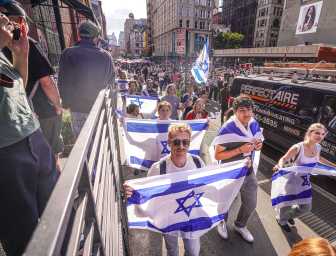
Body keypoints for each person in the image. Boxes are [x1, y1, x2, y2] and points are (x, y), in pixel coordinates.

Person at [0, 12, 58, 255]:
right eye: (0, 16)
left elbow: (17, 88)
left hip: (33, 138)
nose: (5, 18)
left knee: (55, 209)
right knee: (23, 235)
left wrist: (20, 55)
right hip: (7, 153)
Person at [124, 123, 205, 256]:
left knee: (193, 251)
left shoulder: (198, 162)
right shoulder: (158, 168)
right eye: (176, 142)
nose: (181, 146)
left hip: (191, 215)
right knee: (172, 250)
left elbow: (207, 186)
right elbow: (146, 193)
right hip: (168, 218)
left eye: (185, 142)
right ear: (169, 142)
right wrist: (132, 192)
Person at [1, 1, 64, 172]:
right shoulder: (27, 43)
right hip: (41, 112)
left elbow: (18, 83)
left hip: (21, 118)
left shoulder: (11, 48)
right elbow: (47, 82)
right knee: (51, 157)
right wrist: (58, 105)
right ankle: (60, 192)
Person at [273, 123, 336, 232]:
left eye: (322, 134)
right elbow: (284, 158)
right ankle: (281, 220)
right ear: (309, 133)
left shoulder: (318, 147)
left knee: (306, 208)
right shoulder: (298, 147)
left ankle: (289, 216)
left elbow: (319, 159)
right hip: (292, 182)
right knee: (286, 205)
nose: (320, 136)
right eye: (317, 133)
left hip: (304, 183)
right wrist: (279, 166)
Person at [214, 96, 263, 243]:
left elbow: (258, 140)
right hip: (230, 172)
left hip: (248, 171)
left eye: (249, 110)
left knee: (251, 203)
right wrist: (240, 149)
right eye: (242, 110)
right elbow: (218, 154)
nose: (247, 113)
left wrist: (259, 145)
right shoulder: (227, 129)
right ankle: (221, 222)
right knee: (226, 201)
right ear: (235, 112)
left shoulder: (254, 123)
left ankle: (240, 225)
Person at [58, 20, 115, 138]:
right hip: (99, 108)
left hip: (77, 108)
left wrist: (66, 103)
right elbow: (111, 84)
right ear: (96, 38)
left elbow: (63, 82)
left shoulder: (68, 53)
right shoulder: (106, 56)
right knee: (98, 143)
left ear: (79, 35)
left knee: (81, 144)